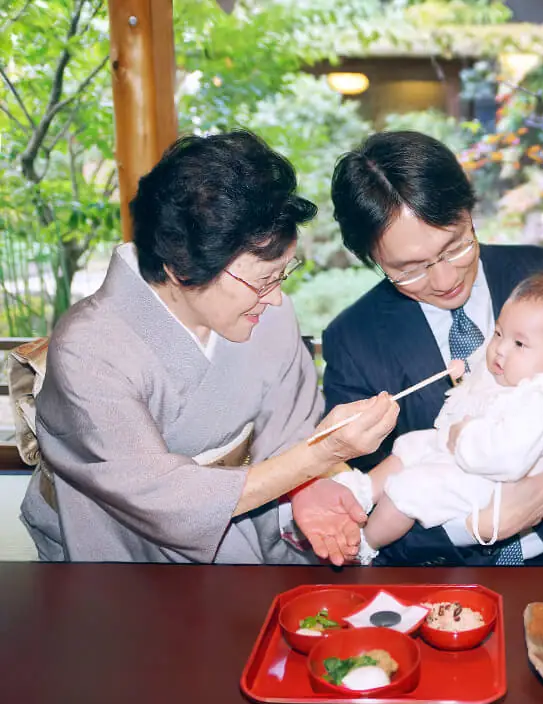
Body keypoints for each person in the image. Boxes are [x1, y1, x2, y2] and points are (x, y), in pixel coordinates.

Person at [19, 130, 398, 564]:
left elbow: (289, 431)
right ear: (180, 269)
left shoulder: (269, 313)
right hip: (117, 539)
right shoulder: (89, 348)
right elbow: (163, 501)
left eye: (281, 274)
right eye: (261, 280)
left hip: (247, 521)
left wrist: (307, 487)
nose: (275, 297)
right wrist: (322, 455)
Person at [298, 130, 543, 567]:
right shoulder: (355, 340)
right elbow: (364, 506)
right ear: (373, 260)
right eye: (409, 269)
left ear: (468, 212)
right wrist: (477, 525)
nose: (443, 280)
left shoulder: (539, 274)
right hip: (445, 572)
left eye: (454, 246)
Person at [344, 270, 543, 562]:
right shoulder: (521, 370)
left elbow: (507, 459)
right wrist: (468, 379)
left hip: (495, 484)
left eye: (519, 343)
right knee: (412, 444)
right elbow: (482, 397)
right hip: (469, 458)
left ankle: (365, 545)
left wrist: (462, 436)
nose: (500, 349)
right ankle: (362, 491)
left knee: (413, 488)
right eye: (499, 333)